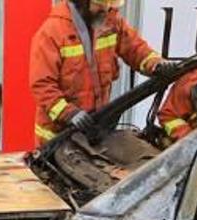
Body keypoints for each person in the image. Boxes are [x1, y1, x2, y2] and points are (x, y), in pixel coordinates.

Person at [29, 0, 171, 145]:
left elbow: (136, 49)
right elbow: (42, 85)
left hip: (95, 130)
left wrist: (156, 64)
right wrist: (68, 113)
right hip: (57, 139)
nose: (107, 8)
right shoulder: (52, 32)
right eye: (102, 3)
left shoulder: (111, 21)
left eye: (110, 3)